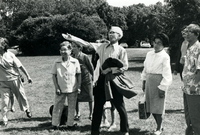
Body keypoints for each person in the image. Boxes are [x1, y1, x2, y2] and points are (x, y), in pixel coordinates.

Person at [62, 26, 130, 135]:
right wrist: (73, 38)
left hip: (114, 79)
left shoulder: (121, 50)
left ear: (119, 36)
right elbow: (86, 44)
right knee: (98, 106)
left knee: (119, 105)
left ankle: (124, 130)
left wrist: (111, 70)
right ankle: (94, 131)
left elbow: (125, 67)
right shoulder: (101, 46)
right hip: (102, 80)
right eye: (110, 32)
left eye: (114, 33)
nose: (111, 34)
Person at [141, 33, 172, 135]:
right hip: (149, 81)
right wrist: (144, 81)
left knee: (158, 106)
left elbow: (167, 73)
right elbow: (145, 69)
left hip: (159, 82)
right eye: (155, 42)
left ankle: (159, 128)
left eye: (159, 43)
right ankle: (159, 125)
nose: (156, 45)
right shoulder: (149, 54)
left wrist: (162, 87)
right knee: (150, 106)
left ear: (164, 45)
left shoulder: (165, 56)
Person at [0, 37, 32, 126]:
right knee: (5, 101)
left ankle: (27, 109)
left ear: (3, 45)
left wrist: (28, 76)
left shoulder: (10, 55)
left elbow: (20, 66)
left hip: (15, 80)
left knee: (21, 96)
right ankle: (4, 118)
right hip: (3, 82)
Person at [51, 41, 81, 130]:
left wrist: (78, 86)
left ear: (70, 50)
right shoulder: (57, 62)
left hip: (72, 88)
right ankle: (55, 124)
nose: (63, 52)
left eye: (65, 50)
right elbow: (54, 75)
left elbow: (78, 74)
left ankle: (70, 124)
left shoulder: (75, 61)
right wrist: (56, 87)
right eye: (61, 50)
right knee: (57, 106)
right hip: (60, 88)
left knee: (72, 107)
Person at [181, 24, 200, 135]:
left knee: (195, 116)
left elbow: (199, 70)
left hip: (194, 89)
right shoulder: (188, 47)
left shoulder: (199, 48)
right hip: (186, 87)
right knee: (188, 116)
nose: (186, 34)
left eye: (189, 32)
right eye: (186, 31)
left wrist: (194, 86)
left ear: (196, 34)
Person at [71, 42, 94, 121]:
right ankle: (78, 113)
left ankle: (91, 113)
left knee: (90, 96)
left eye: (74, 46)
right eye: (72, 47)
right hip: (76, 79)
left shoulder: (84, 56)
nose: (72, 48)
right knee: (76, 97)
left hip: (86, 78)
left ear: (79, 48)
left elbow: (91, 68)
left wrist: (93, 77)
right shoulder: (72, 57)